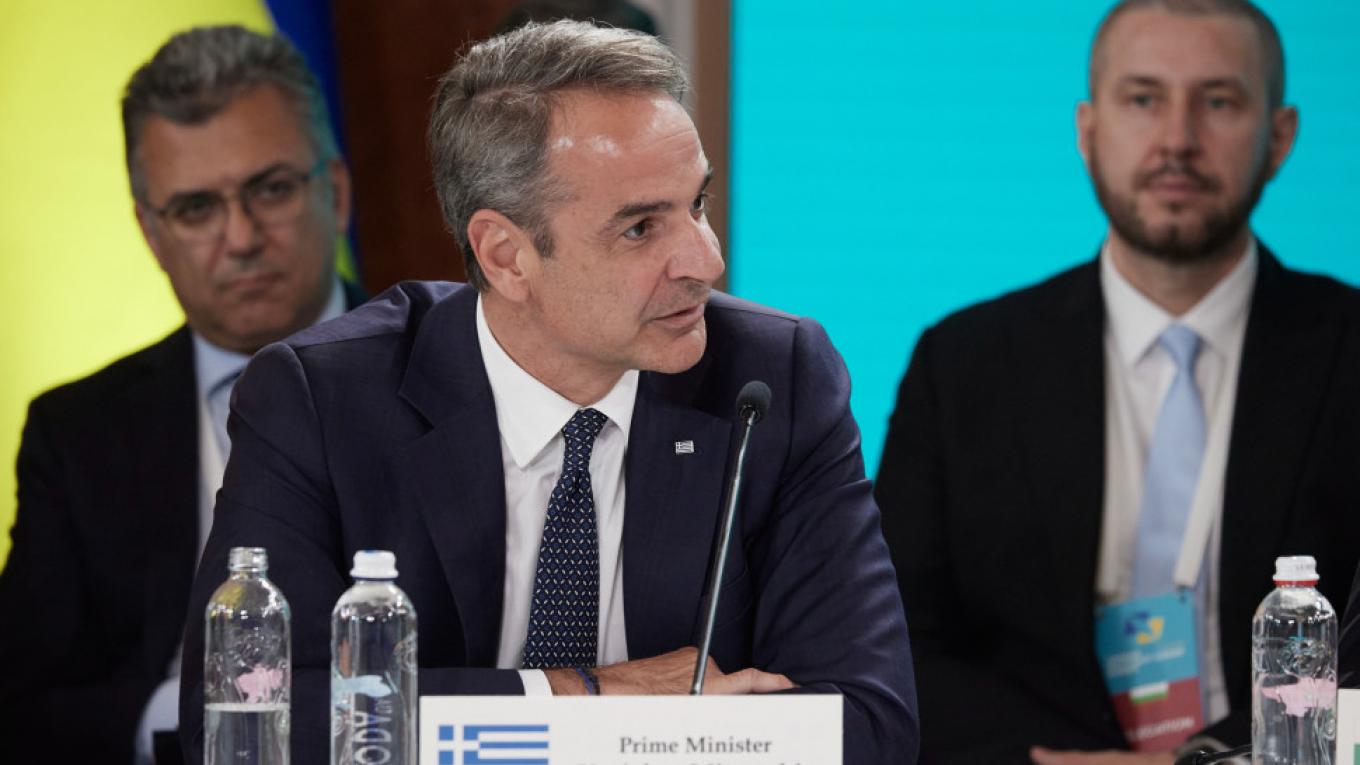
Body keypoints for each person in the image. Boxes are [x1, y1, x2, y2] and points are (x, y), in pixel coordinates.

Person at [177, 19, 918, 765]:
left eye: (696, 204)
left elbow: (867, 722)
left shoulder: (774, 378)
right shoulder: (322, 399)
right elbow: (243, 718)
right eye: (640, 228)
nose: (705, 259)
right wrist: (581, 698)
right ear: (506, 256)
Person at [875, 1, 1360, 763]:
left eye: (1219, 102)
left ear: (1280, 136)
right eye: (1143, 99)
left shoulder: (1350, 352)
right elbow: (899, 636)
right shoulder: (963, 363)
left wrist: (1202, 760)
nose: (1178, 139)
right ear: (1088, 129)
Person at [0, 25, 365, 764]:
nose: (241, 237)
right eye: (196, 208)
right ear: (150, 232)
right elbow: (23, 703)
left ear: (335, 191)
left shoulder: (456, 374)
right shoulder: (78, 434)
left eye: (270, 189)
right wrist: (185, 715)